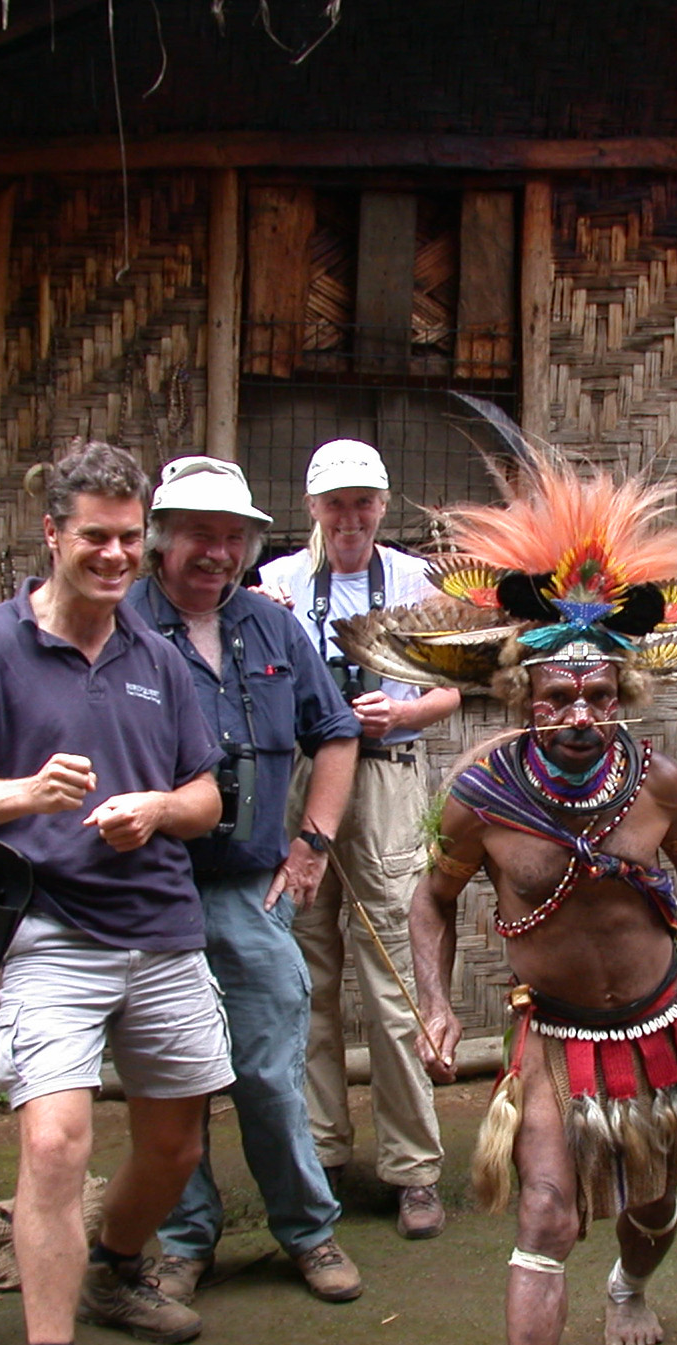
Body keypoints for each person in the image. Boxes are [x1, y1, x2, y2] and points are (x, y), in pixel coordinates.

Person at [361, 458, 677, 1345]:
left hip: (657, 1030)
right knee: (548, 1212)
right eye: (557, 695)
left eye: (598, 693)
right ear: (523, 695)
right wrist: (435, 1003)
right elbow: (430, 901)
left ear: (623, 693)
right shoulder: (480, 794)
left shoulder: (658, 781)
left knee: (650, 1211)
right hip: (551, 1038)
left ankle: (631, 1285)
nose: (579, 712)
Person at [0, 442, 235, 1345]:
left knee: (176, 1145)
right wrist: (25, 794)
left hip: (163, 927)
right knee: (52, 1144)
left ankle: (113, 1270)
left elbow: (206, 798)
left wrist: (157, 811)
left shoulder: (157, 654)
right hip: (49, 930)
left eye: (130, 538)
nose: (116, 555)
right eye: (96, 535)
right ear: (52, 533)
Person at [129, 457, 368, 1305]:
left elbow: (334, 731)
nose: (219, 553)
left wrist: (313, 843)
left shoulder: (272, 628)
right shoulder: (120, 626)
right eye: (200, 534)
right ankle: (184, 1242)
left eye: (234, 537)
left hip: (249, 889)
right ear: (161, 539)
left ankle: (307, 1230)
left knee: (270, 1073)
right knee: (172, 1081)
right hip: (148, 892)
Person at [260, 440, 460, 1238]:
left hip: (385, 776)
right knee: (303, 973)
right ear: (312, 507)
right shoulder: (277, 581)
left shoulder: (415, 581)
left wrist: (403, 711)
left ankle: (414, 1168)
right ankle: (321, 1152)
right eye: (336, 503)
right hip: (300, 781)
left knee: (394, 975)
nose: (350, 518)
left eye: (364, 503)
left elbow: (454, 688)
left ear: (382, 506)